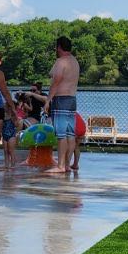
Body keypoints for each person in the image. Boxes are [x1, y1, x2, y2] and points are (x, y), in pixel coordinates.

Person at [46, 36, 80, 176]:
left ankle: (60, 166)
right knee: (70, 134)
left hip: (61, 100)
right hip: (72, 99)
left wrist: (48, 100)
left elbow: (56, 81)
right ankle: (66, 164)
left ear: (59, 47)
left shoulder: (61, 62)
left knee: (61, 135)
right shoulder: (74, 61)